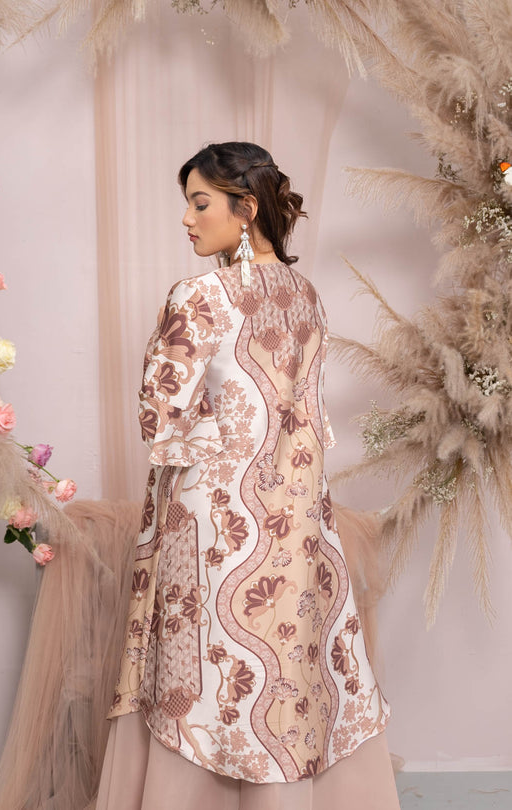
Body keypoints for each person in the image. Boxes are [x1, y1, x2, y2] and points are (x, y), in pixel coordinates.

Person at [95, 142, 400, 810]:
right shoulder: (306, 296)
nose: (187, 218)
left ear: (247, 208)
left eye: (200, 202)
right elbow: (311, 420)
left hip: (214, 521)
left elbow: (159, 414)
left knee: (209, 670)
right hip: (297, 516)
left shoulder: (198, 295)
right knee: (289, 665)